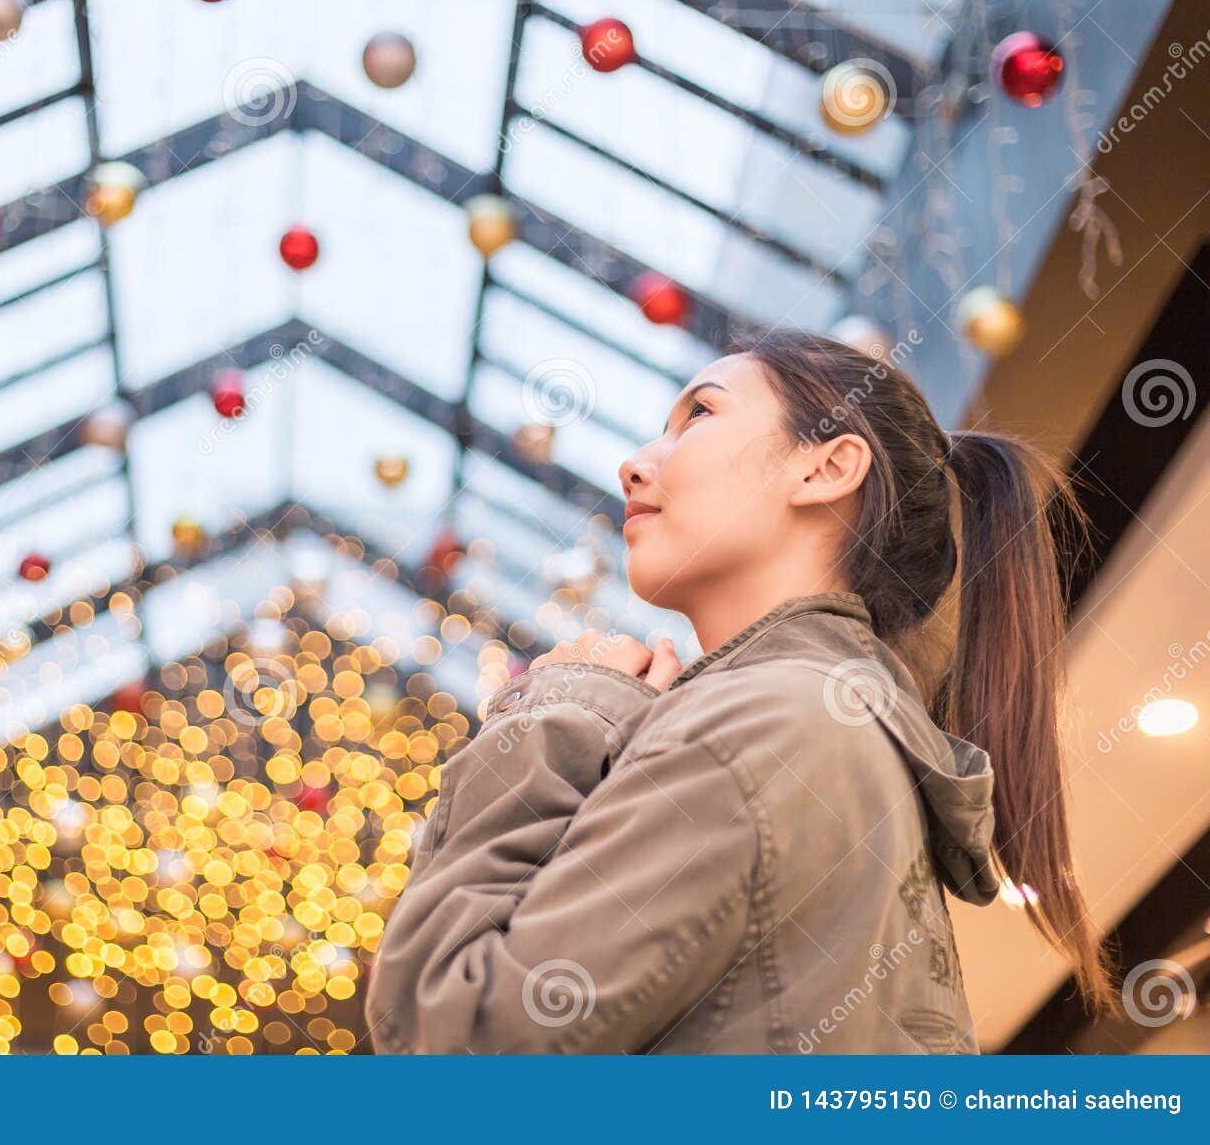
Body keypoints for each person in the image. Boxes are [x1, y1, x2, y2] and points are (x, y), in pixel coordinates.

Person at [364, 330, 1115, 1054]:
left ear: (826, 467)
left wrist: (553, 716)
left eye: (700, 414)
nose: (633, 464)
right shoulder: (825, 720)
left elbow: (455, 1038)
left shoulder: (763, 722)